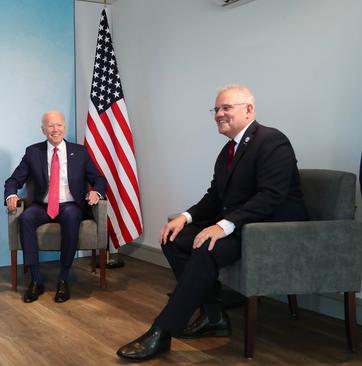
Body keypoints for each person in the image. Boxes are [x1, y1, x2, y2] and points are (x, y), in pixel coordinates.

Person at [116, 85, 308, 361]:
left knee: (206, 248)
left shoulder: (272, 141)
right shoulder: (228, 151)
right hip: (244, 226)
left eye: (226, 107)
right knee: (172, 238)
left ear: (249, 109)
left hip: (271, 231)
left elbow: (272, 196)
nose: (218, 114)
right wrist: (184, 217)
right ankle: (213, 314)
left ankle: (162, 330)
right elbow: (215, 197)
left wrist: (224, 225)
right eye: (216, 109)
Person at [4, 110, 107, 303]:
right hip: (42, 206)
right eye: (50, 126)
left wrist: (96, 192)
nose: (55, 129)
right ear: (43, 130)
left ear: (64, 127)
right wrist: (11, 194)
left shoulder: (80, 152)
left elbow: (99, 179)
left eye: (58, 125)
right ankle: (35, 280)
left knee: (71, 216)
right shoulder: (33, 152)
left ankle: (63, 279)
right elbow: (14, 180)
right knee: (25, 218)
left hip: (70, 205)